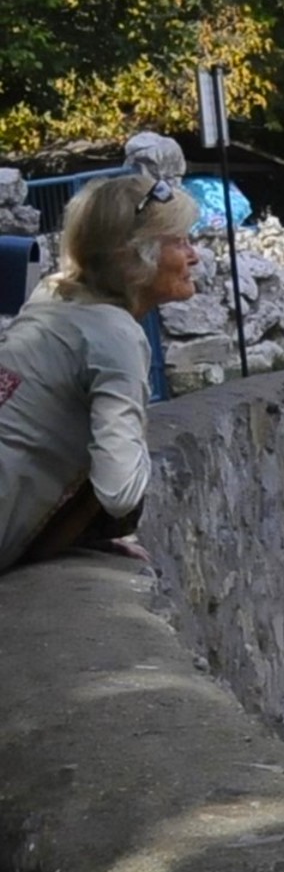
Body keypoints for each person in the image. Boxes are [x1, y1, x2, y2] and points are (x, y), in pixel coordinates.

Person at [0, 173, 200, 573]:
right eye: (178, 242)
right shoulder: (116, 336)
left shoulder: (52, 295)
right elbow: (120, 490)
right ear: (134, 257)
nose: (193, 255)